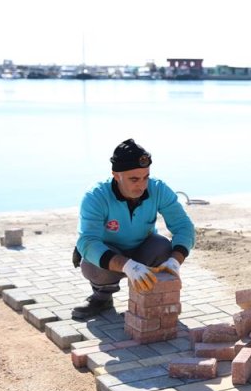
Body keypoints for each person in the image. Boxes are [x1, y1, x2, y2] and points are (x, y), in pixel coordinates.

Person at [71, 138, 195, 321]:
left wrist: (175, 261)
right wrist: (127, 265)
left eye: (146, 177)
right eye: (134, 179)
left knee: (162, 246)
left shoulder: (158, 189)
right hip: (110, 252)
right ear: (116, 175)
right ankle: (102, 298)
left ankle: (150, 299)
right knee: (91, 264)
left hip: (142, 248)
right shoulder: (95, 196)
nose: (142, 185)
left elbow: (184, 226)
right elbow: (87, 241)